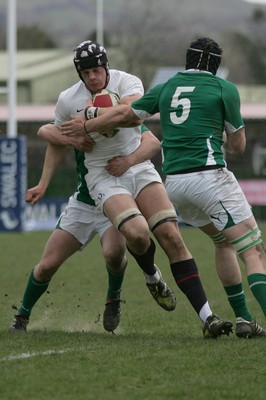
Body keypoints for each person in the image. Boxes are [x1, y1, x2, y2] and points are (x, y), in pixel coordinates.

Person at [67, 37, 266, 339]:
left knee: (223, 242)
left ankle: (244, 319)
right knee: (254, 251)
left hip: (175, 184)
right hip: (210, 177)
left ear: (187, 60)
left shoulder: (167, 87)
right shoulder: (225, 89)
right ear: (216, 65)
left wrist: (86, 123)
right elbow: (238, 146)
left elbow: (125, 115)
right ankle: (246, 316)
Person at [9, 123, 162, 334]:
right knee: (46, 266)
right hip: (82, 205)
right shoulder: (78, 118)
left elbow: (152, 141)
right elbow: (45, 131)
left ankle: (113, 299)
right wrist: (71, 142)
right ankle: (22, 317)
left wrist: (129, 161)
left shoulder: (122, 117)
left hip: (115, 202)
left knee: (114, 254)